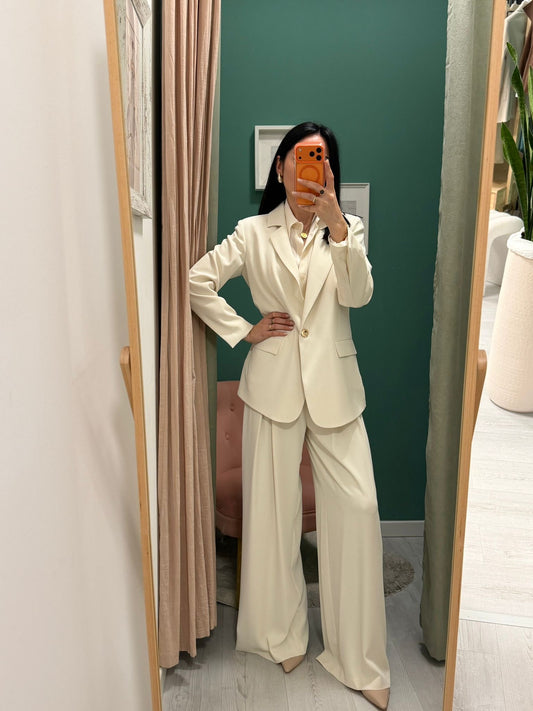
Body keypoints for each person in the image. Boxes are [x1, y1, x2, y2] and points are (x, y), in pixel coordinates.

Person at [189, 122, 391, 710]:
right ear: (280, 168)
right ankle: (281, 635)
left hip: (336, 389)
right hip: (273, 385)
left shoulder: (347, 230)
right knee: (273, 517)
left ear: (330, 171)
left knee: (358, 509)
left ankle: (359, 658)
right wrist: (242, 330)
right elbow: (199, 280)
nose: (311, 168)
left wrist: (338, 223)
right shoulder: (252, 233)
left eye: (321, 160)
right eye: (301, 158)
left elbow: (358, 296)